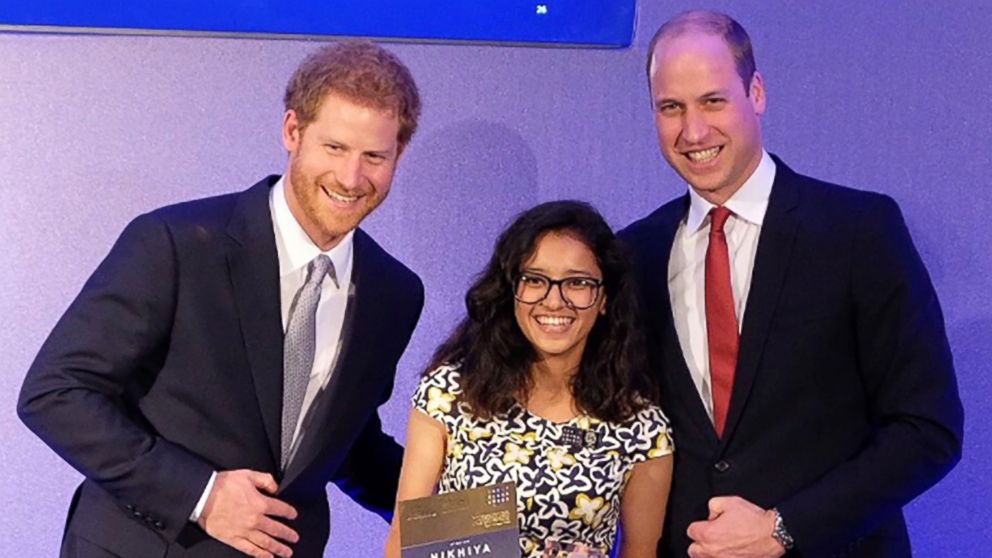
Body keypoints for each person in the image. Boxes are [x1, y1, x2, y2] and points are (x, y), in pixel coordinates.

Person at [18, 41, 424, 558]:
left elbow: (347, 444)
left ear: (398, 155)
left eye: (374, 156)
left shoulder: (395, 291)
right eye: (335, 148)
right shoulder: (176, 243)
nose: (351, 178)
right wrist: (202, 495)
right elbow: (56, 392)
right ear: (292, 131)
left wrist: (473, 519)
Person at [618, 10, 964, 558]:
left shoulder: (859, 232)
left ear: (756, 92)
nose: (694, 131)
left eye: (713, 101)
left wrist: (784, 526)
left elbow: (927, 428)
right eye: (670, 108)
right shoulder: (634, 253)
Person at [384, 201, 675, 558]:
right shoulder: (450, 394)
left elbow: (641, 551)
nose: (555, 301)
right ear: (511, 290)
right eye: (535, 280)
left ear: (603, 298)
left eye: (577, 283)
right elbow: (405, 537)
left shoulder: (640, 427)